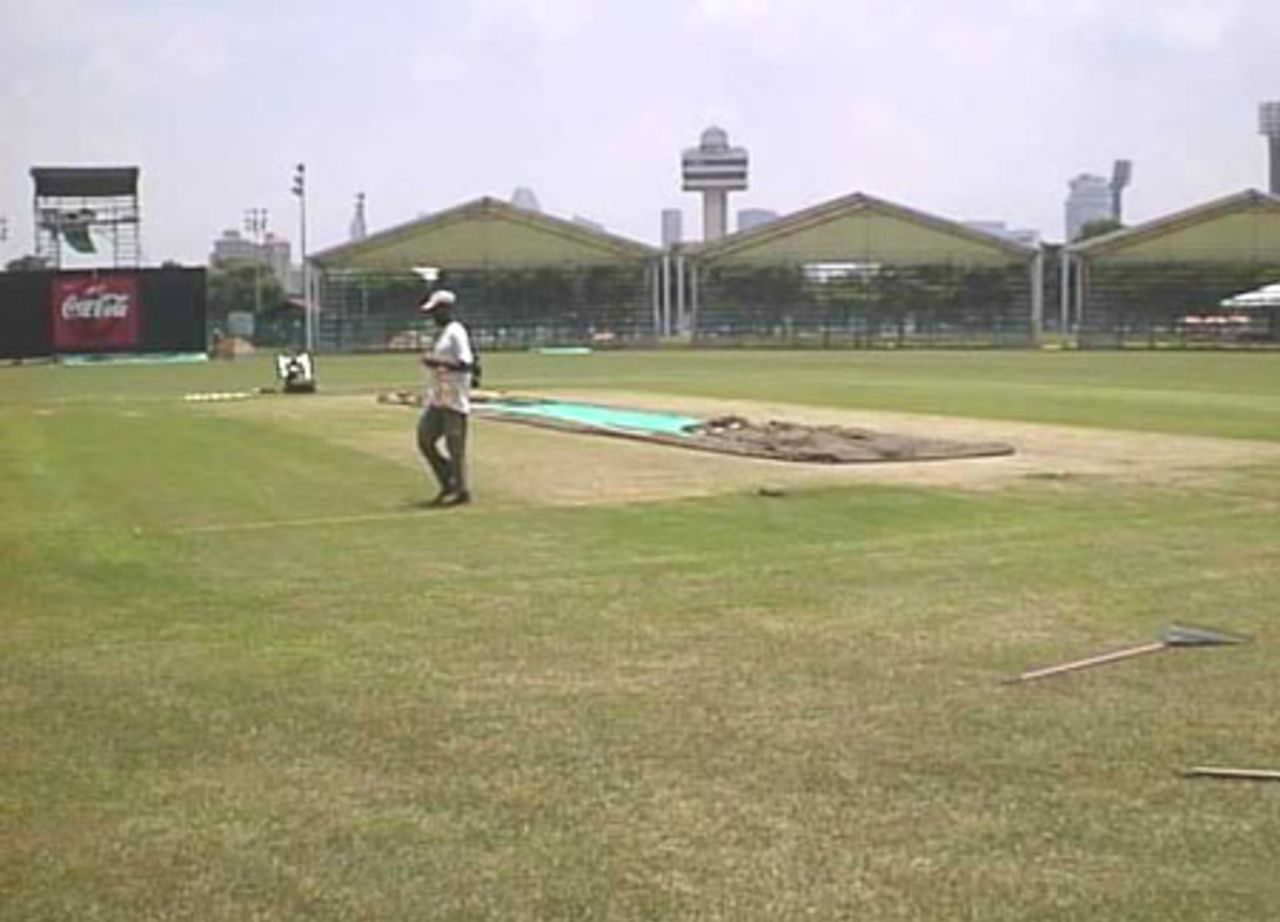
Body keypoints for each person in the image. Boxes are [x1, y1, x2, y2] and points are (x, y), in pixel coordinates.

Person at [417, 289, 476, 506]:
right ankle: (449, 479)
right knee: (425, 439)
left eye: (435, 311)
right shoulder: (441, 333)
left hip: (454, 399)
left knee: (455, 446)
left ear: (445, 309)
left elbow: (467, 364)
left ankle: (460, 491)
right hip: (438, 398)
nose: (432, 316)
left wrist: (437, 363)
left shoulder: (456, 331)